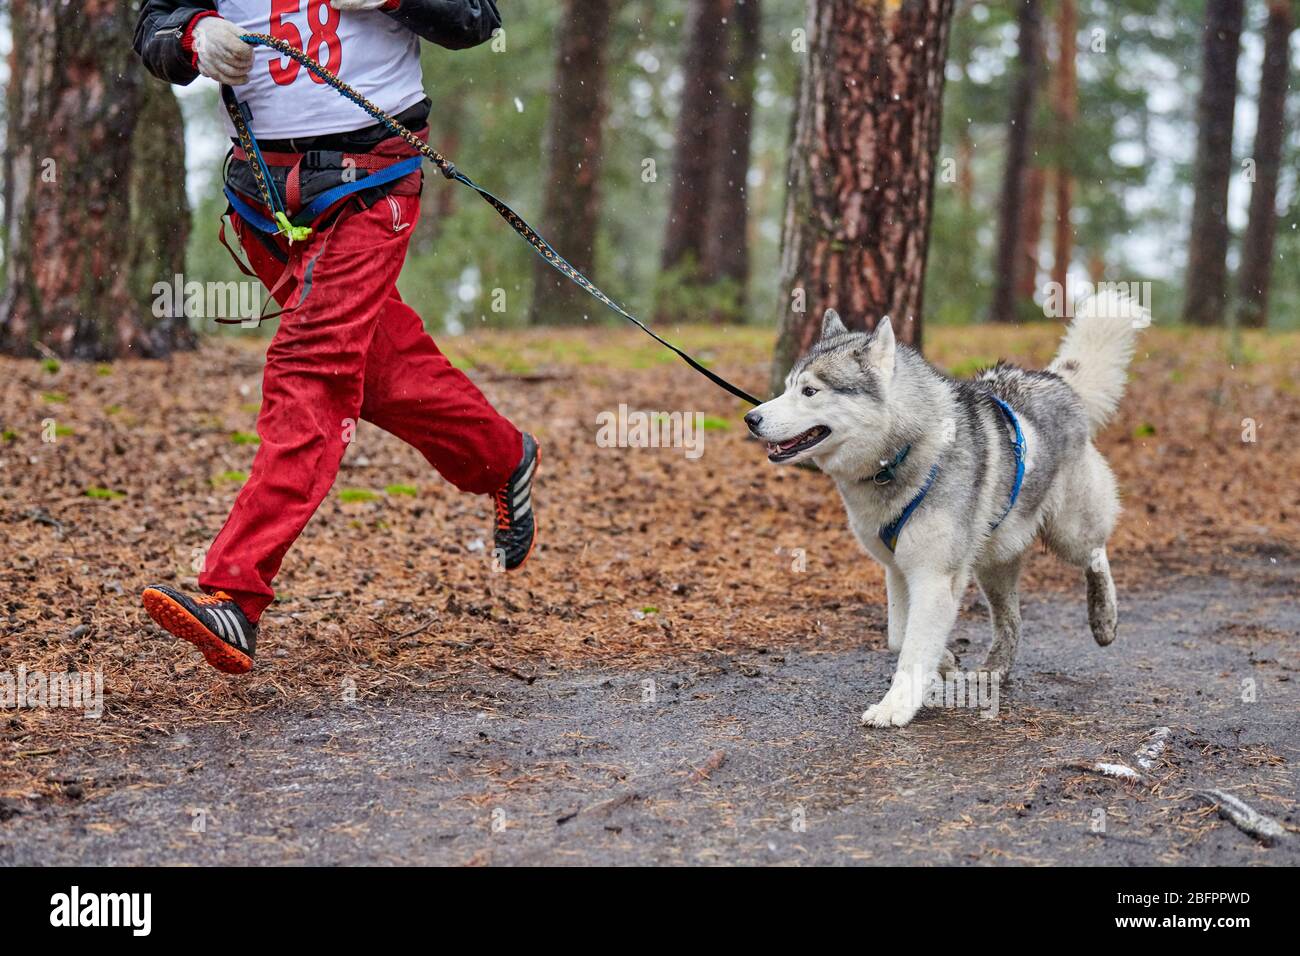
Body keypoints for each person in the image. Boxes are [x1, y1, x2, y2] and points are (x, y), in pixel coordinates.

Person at [132, 0, 538, 675]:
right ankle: (503, 456)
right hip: (261, 196)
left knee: (311, 367)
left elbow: (477, 18)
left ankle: (236, 592)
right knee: (381, 374)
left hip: (370, 185)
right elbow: (154, 26)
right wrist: (192, 36)